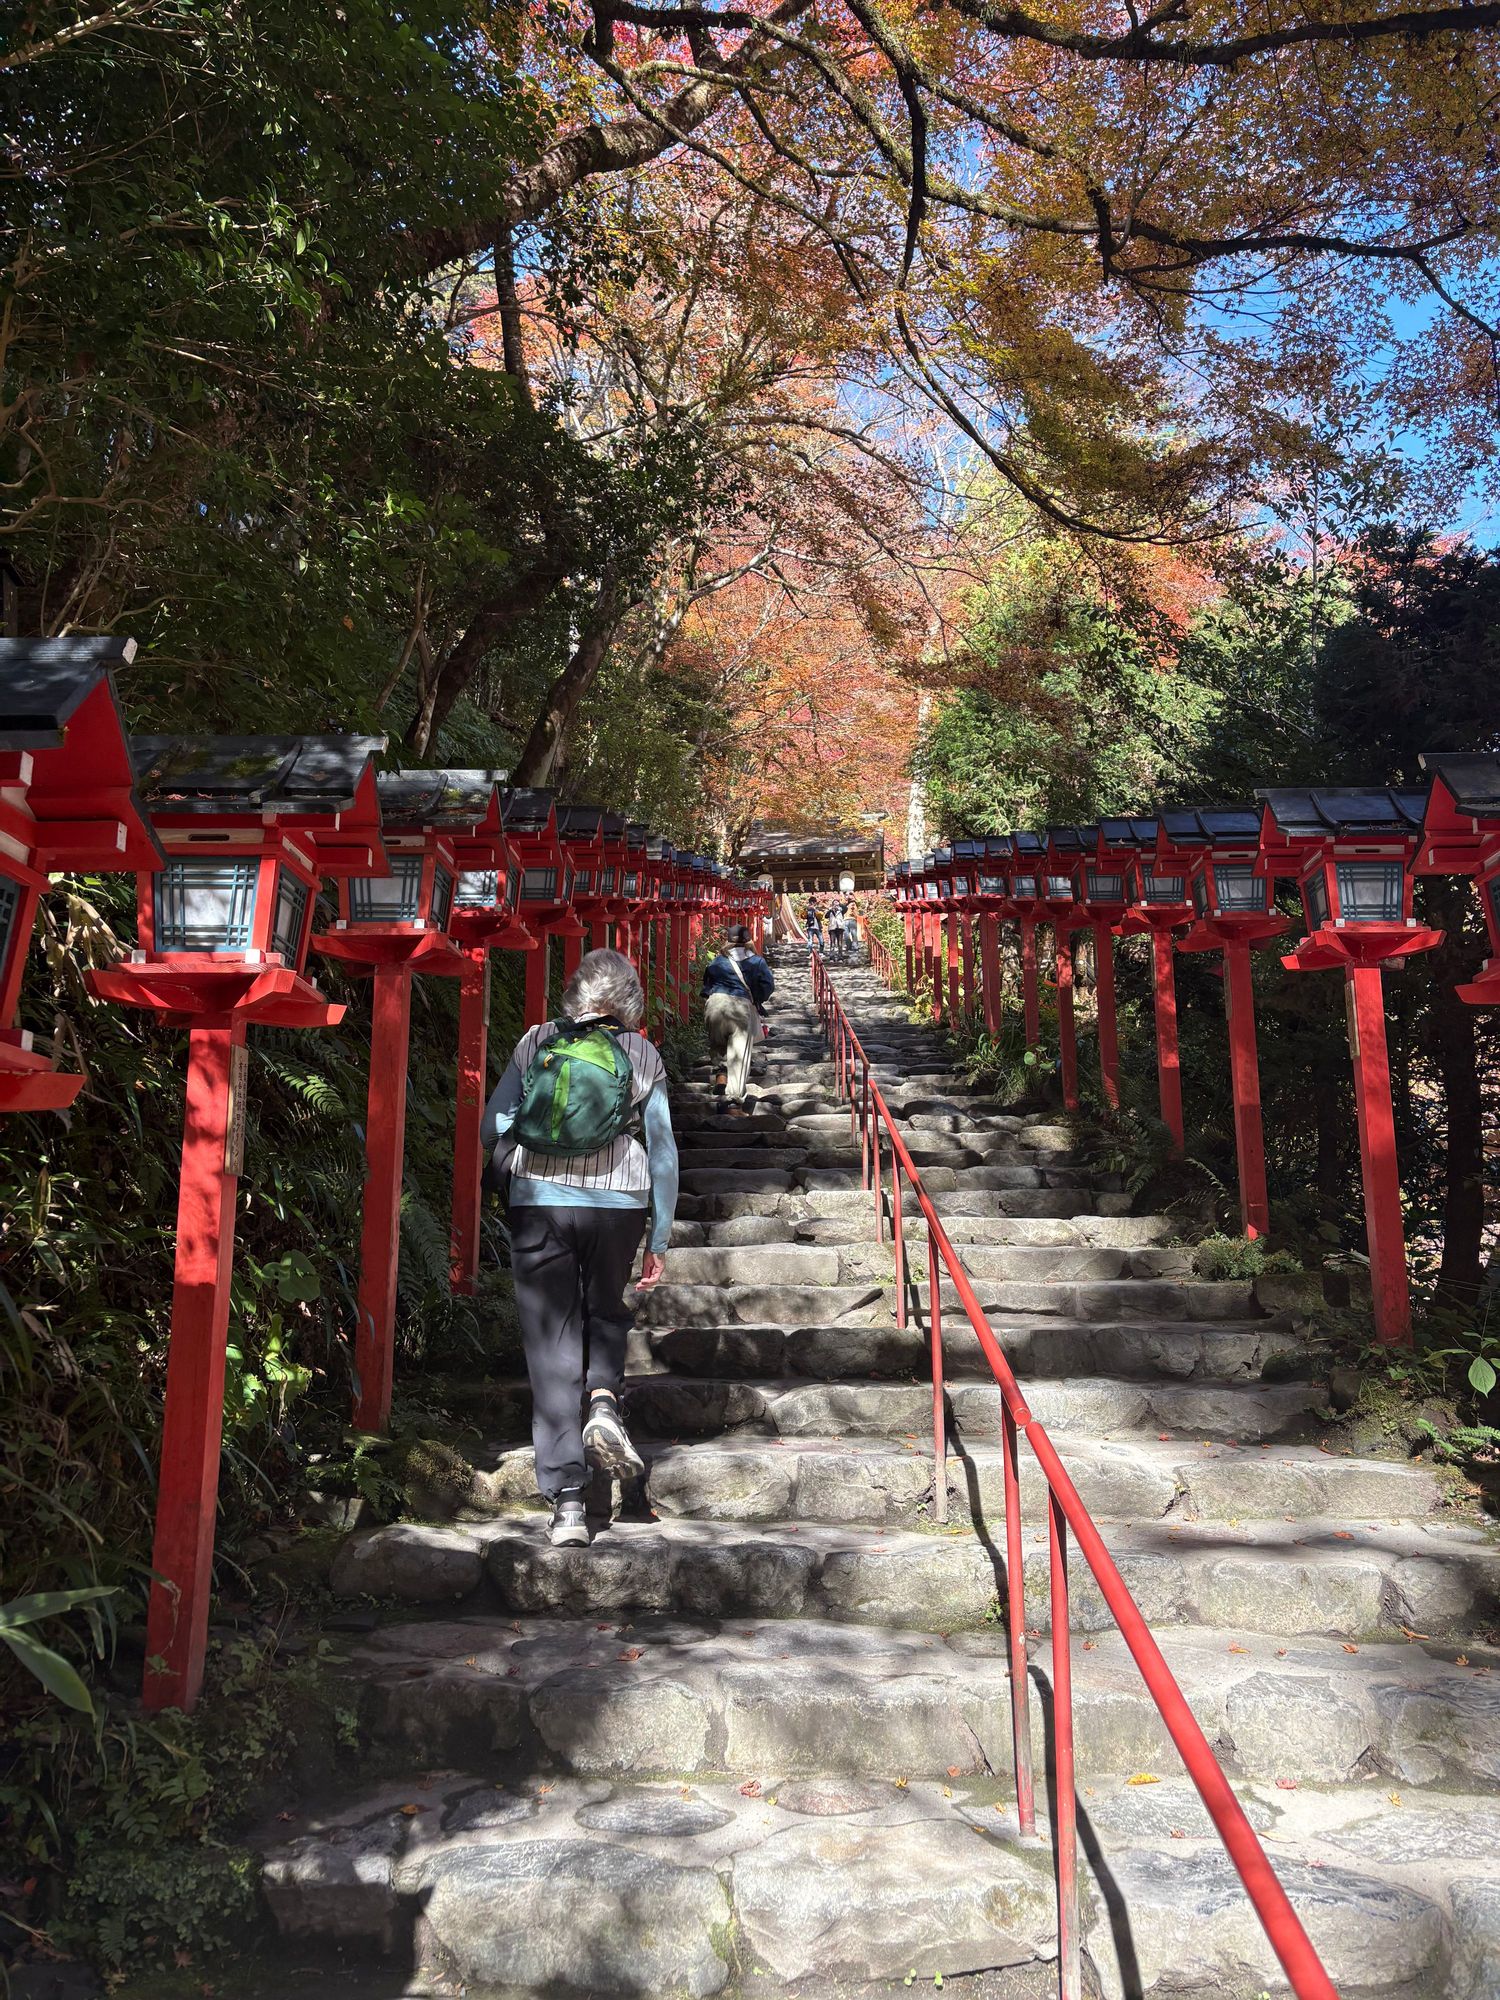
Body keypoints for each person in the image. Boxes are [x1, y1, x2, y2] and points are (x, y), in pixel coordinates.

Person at [481, 949, 677, 1550]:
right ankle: (603, 1401)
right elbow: (663, 1151)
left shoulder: (535, 1041)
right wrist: (659, 1237)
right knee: (606, 1311)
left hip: (537, 1202)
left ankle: (567, 1501)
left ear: (573, 995)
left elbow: (492, 1126)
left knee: (552, 1341)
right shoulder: (641, 1052)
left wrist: (528, 1147)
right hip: (618, 1204)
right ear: (630, 1002)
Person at [701, 924, 775, 1116]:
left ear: (728, 941)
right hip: (740, 1007)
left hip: (715, 1003)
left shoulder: (717, 961)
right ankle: (733, 1104)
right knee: (739, 1055)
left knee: (718, 1044)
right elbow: (767, 986)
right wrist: (757, 999)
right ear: (749, 941)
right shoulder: (757, 962)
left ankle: (721, 1075)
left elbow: (706, 986)